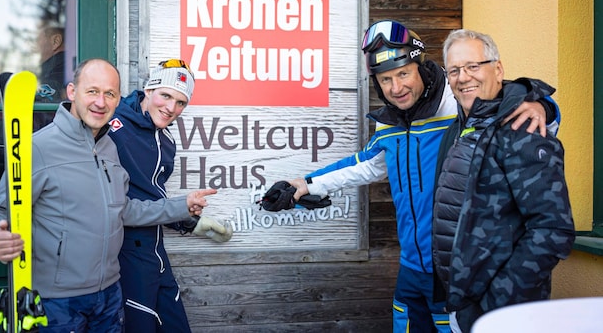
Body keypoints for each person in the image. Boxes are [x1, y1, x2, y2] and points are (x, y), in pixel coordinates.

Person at [280, 20, 558, 333]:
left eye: (403, 74)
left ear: (421, 69)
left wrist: (543, 105)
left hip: (456, 274)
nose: (396, 88)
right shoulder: (389, 122)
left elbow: (505, 106)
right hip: (411, 269)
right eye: (385, 79)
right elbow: (368, 163)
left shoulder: (458, 105)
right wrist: (307, 183)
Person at [0, 58, 217, 332]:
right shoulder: (39, 148)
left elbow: (124, 209)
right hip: (58, 302)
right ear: (72, 92)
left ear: (118, 100)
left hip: (109, 297)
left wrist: (182, 207)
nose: (100, 102)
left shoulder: (109, 149)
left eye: (109, 94)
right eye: (92, 91)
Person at [432, 29, 575, 333]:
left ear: (497, 69)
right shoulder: (465, 125)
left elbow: (552, 230)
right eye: (455, 70)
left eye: (473, 66)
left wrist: (492, 309)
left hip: (502, 315)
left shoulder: (522, 129)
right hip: (463, 305)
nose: (463, 77)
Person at [108, 58, 232, 333]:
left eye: (180, 103)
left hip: (157, 251)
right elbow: (114, 205)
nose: (171, 108)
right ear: (149, 90)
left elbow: (154, 197)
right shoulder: (113, 126)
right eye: (165, 95)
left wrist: (188, 220)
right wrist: (180, 209)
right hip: (126, 253)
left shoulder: (166, 141)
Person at [35, 25, 66, 103]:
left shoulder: (55, 75)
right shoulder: (67, 70)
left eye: (37, 40)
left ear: (56, 41)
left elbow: (43, 112)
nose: (33, 47)